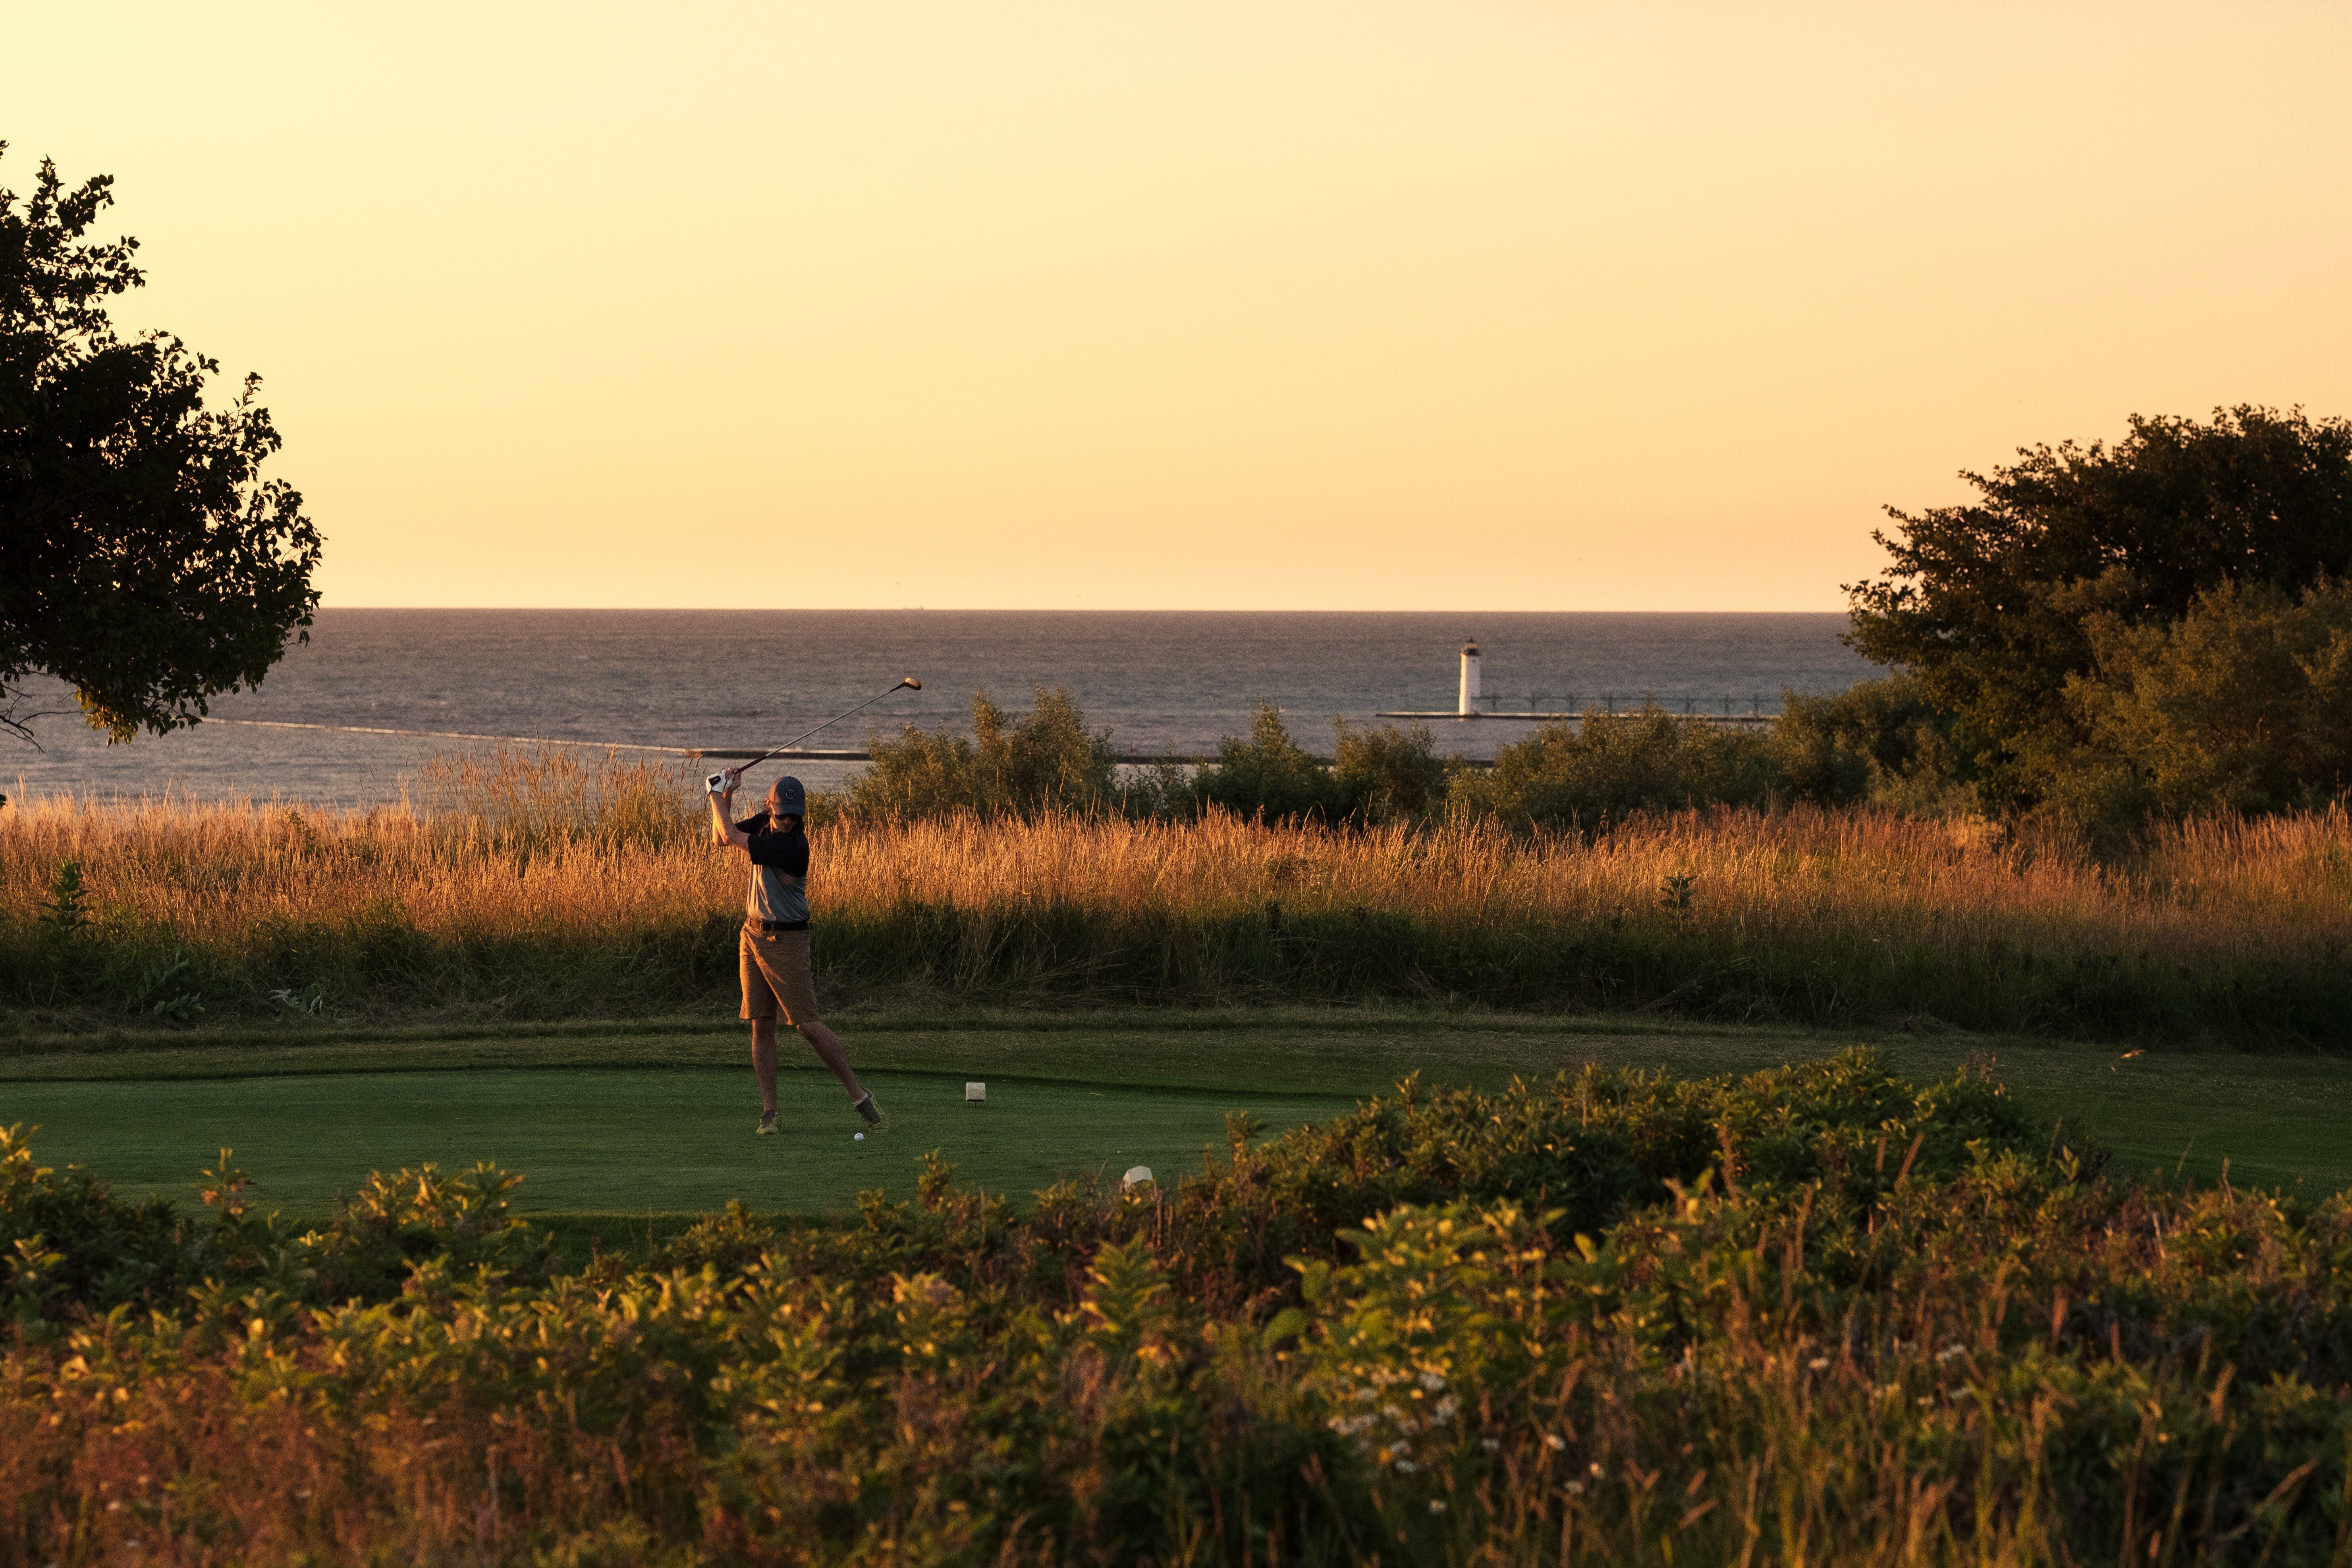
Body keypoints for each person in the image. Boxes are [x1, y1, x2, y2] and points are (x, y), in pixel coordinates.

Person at [706, 768, 883, 1136]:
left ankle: (860, 1096)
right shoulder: (764, 824)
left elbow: (730, 835)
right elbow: (721, 838)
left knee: (806, 1025)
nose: (788, 821)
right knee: (761, 1023)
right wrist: (726, 794)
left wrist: (714, 792)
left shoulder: (792, 846)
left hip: (787, 941)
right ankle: (770, 1114)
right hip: (752, 935)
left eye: (794, 815)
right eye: (783, 814)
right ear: (769, 807)